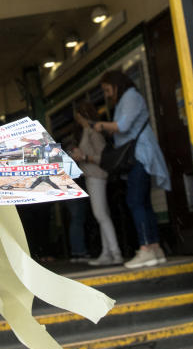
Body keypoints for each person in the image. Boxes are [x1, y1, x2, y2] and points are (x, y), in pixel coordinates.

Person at [92, 70, 170, 269]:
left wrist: (102, 125)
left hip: (140, 156)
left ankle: (145, 248)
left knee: (135, 200)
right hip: (141, 155)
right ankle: (154, 248)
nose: (108, 94)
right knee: (143, 201)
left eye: (108, 89)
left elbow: (123, 126)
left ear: (116, 84)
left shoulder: (130, 97)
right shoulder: (130, 97)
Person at [70, 100, 123, 266]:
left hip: (96, 176)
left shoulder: (92, 132)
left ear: (83, 116)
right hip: (93, 175)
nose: (77, 121)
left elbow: (102, 158)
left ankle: (115, 252)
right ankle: (107, 253)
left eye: (78, 117)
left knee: (100, 215)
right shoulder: (88, 131)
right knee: (102, 215)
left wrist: (83, 157)